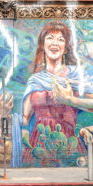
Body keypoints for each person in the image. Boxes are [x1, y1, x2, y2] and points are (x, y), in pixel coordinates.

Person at [21, 21, 93, 166]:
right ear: (42, 44)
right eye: (50, 38)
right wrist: (23, 130)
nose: (55, 43)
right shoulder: (35, 79)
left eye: (60, 39)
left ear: (65, 48)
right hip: (38, 144)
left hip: (68, 143)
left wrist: (69, 100)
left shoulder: (76, 75)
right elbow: (25, 116)